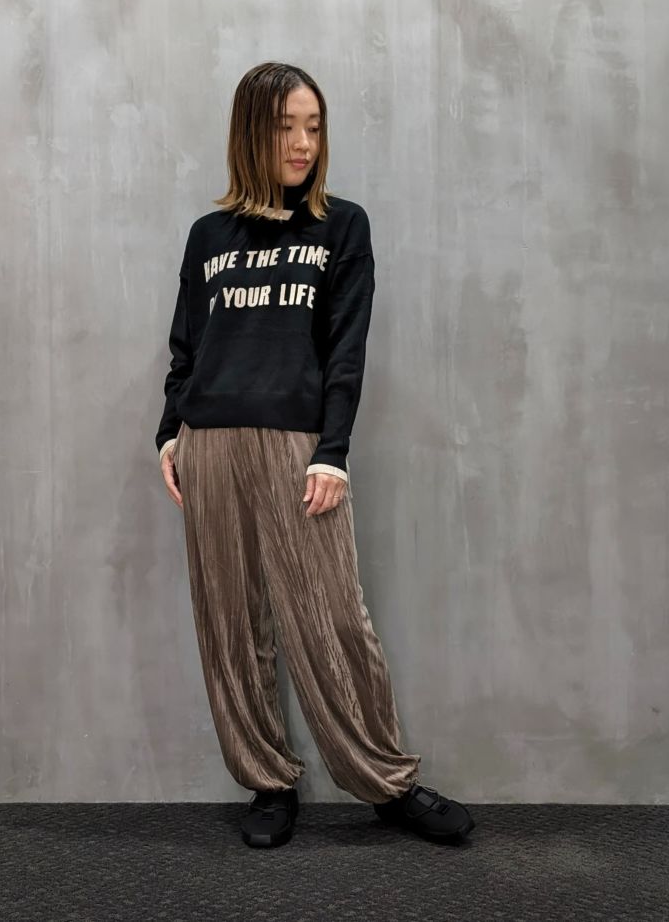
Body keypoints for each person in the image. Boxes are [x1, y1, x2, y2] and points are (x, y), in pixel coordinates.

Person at [155, 61, 475, 848]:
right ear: (250, 133)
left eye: (314, 126)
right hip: (210, 444)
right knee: (231, 621)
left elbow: (345, 352)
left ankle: (387, 783)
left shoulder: (342, 227)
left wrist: (332, 451)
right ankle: (268, 782)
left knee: (331, 617)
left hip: (299, 446)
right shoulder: (208, 236)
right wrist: (169, 432)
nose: (302, 143)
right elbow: (186, 348)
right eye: (284, 127)